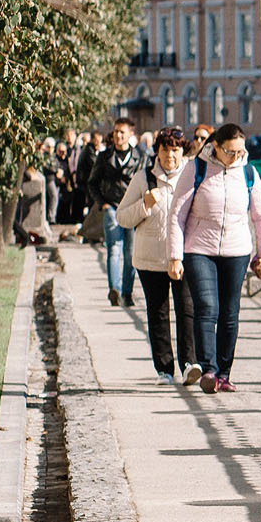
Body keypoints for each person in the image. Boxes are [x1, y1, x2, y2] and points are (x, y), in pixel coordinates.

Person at [172, 122, 261, 393]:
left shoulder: (249, 172)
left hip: (236, 251)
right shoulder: (196, 168)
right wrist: (174, 256)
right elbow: (177, 214)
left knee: (230, 313)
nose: (235, 157)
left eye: (240, 152)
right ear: (215, 146)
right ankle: (209, 369)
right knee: (206, 308)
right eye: (230, 151)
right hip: (199, 249)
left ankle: (224, 373)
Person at [114, 128, 197, 384]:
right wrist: (144, 205)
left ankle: (189, 364)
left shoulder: (192, 176)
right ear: (157, 151)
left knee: (187, 310)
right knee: (158, 313)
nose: (170, 155)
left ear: (183, 152)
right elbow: (122, 217)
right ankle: (164, 369)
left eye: (175, 150)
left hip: (183, 257)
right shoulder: (143, 178)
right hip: (150, 258)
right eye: (165, 149)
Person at [91, 119, 149, 307]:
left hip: (132, 208)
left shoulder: (140, 157)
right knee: (114, 249)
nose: (118, 135)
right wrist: (103, 204)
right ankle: (114, 290)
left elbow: (146, 182)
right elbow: (92, 183)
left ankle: (127, 292)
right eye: (116, 132)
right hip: (112, 207)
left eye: (122, 132)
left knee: (130, 252)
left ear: (130, 134)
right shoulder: (104, 157)